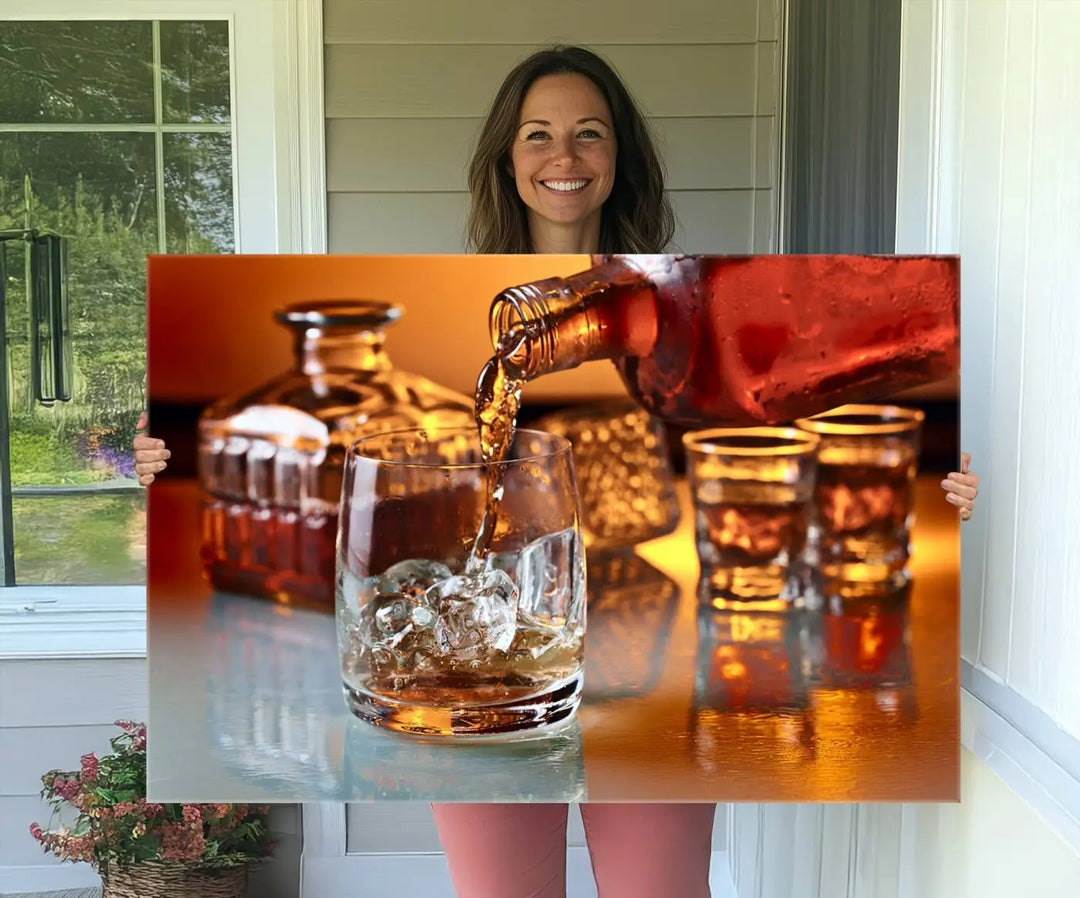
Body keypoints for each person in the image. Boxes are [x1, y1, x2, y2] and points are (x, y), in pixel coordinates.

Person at [134, 44, 980, 897]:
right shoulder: (451, 295)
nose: (563, 157)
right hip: (484, 680)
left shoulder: (694, 304)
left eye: (589, 134)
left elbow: (817, 412)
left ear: (619, 160)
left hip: (645, 662)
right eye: (537, 135)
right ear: (507, 159)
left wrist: (942, 489)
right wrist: (163, 465)